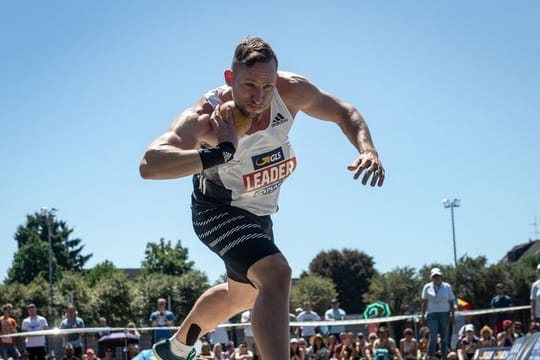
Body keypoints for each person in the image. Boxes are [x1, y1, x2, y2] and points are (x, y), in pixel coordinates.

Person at [140, 37, 385, 360]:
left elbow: (344, 112)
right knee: (276, 274)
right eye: (249, 86)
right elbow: (150, 164)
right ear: (230, 79)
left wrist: (367, 149)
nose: (258, 97)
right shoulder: (206, 118)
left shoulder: (292, 91)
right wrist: (219, 153)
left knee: (240, 297)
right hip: (216, 210)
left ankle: (176, 349)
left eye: (267, 86)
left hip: (259, 216)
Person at [420, 268, 455, 359]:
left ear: (441, 276)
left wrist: (452, 315)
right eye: (434, 276)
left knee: (444, 337)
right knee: (433, 337)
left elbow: (451, 302)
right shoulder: (427, 287)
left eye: (438, 276)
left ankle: (443, 356)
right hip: (432, 314)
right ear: (431, 277)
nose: (436, 278)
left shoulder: (447, 286)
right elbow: (424, 302)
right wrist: (422, 315)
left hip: (445, 314)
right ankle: (430, 356)